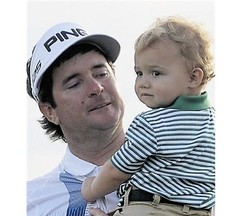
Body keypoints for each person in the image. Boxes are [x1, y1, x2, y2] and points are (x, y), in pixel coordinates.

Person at [81, 16, 215, 216]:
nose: (143, 83)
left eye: (156, 73)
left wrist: (91, 189)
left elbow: (116, 171)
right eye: (139, 73)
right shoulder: (213, 123)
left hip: (150, 208)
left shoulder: (153, 123)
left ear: (193, 78)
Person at [26, 22, 126, 216]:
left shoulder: (183, 164)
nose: (96, 88)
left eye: (101, 73)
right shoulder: (28, 204)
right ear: (49, 111)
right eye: (74, 84)